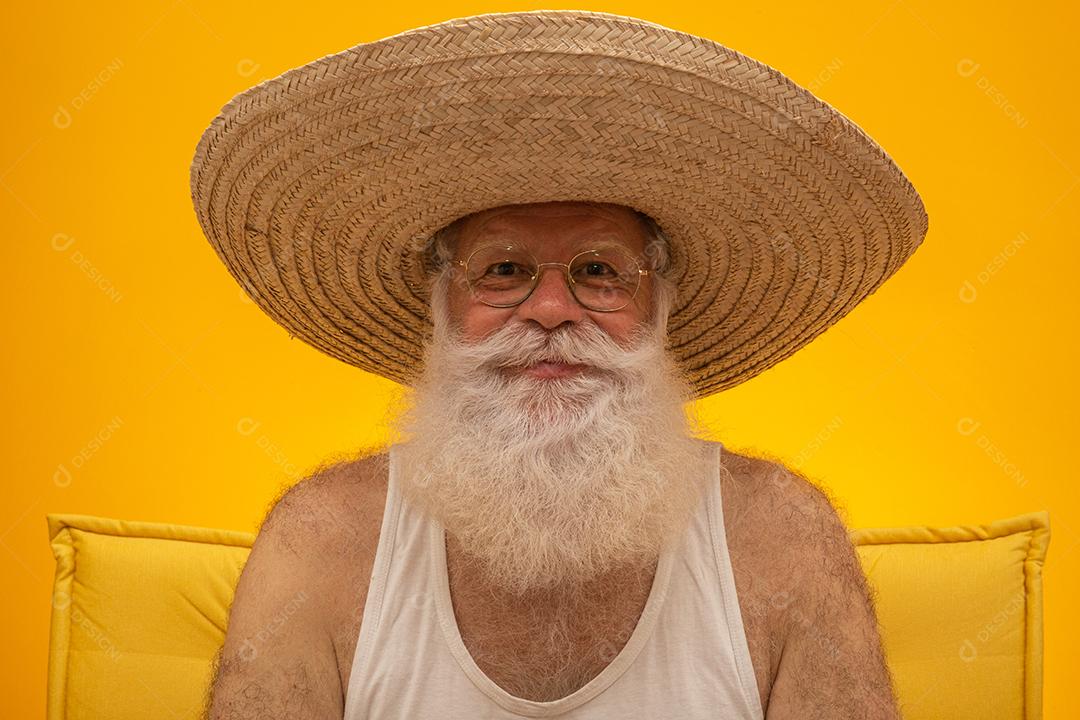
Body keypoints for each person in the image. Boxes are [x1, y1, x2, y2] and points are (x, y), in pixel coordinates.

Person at [190, 11, 928, 719]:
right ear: (439, 307)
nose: (550, 309)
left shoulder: (783, 534)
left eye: (602, 272)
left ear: (661, 310)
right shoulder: (317, 542)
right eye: (504, 269)